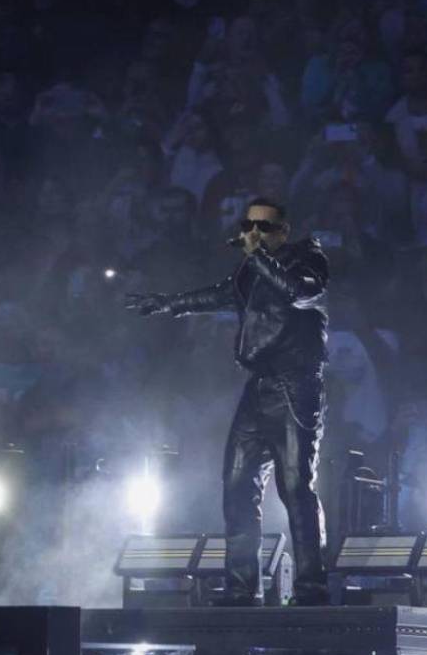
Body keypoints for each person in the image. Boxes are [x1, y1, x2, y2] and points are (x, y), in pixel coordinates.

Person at [126, 197, 329, 605]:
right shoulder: (251, 269)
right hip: (258, 387)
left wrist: (256, 258)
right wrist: (171, 304)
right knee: (237, 485)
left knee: (295, 488)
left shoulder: (309, 259)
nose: (254, 232)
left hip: (295, 387)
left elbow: (295, 292)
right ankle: (241, 586)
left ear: (284, 230)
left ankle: (311, 587)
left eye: (265, 226)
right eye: (249, 224)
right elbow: (222, 294)